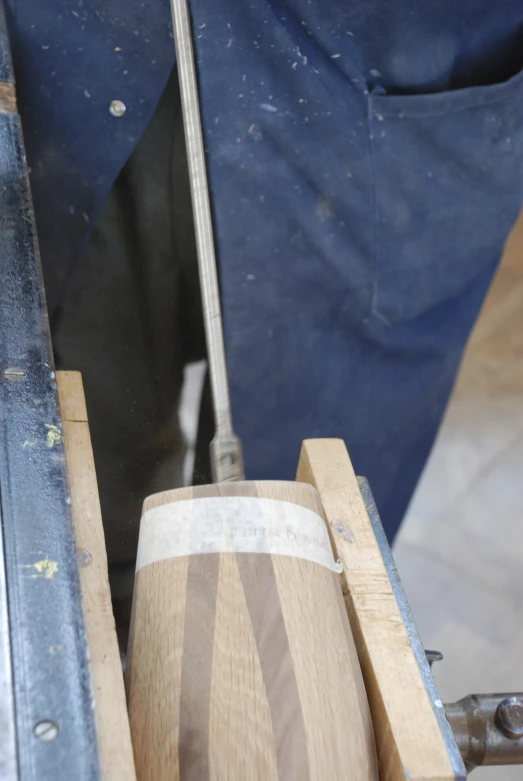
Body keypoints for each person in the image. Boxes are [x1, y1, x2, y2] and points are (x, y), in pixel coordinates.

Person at [10, 1, 523, 603]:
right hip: (96, 55)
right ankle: (127, 617)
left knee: (292, 554)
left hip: (372, 98)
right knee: (96, 433)